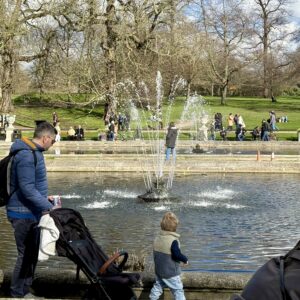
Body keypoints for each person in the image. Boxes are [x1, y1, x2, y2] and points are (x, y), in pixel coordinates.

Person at [6, 122, 61, 298]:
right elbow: (27, 189)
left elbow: (31, 187)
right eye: (52, 141)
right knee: (25, 255)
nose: (52, 145)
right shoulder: (26, 156)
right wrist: (48, 207)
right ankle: (17, 293)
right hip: (22, 213)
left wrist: (45, 199)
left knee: (31, 254)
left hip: (30, 211)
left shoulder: (33, 153)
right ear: (45, 138)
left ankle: (25, 291)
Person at [149, 212, 188, 300]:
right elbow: (177, 254)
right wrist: (185, 259)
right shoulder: (173, 240)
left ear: (162, 225)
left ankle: (152, 298)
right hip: (171, 273)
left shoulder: (157, 238)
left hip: (159, 271)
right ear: (175, 227)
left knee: (158, 287)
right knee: (178, 290)